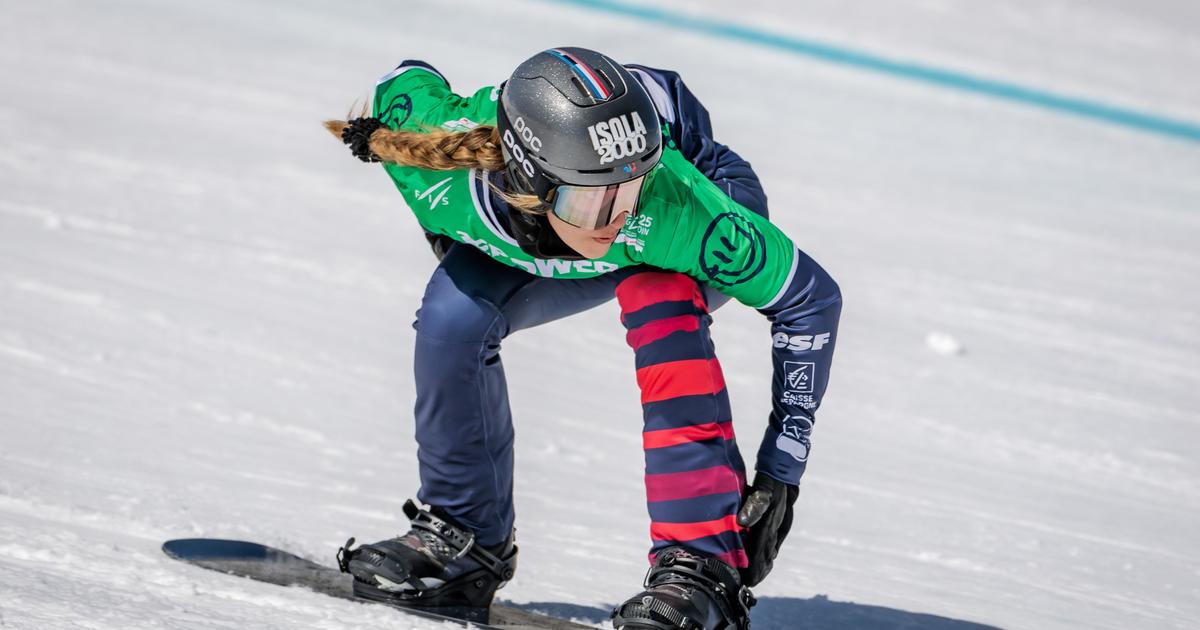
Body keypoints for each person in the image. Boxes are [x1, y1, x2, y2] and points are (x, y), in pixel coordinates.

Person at [326, 48, 842, 630]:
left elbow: (811, 300)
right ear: (526, 177)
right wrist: (442, 231)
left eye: (628, 191)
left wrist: (781, 471)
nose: (618, 217)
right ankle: (464, 537)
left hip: (694, 192)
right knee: (452, 318)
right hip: (546, 218)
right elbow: (405, 79)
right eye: (591, 199)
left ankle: (701, 569)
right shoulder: (434, 163)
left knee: (660, 301)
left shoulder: (670, 211)